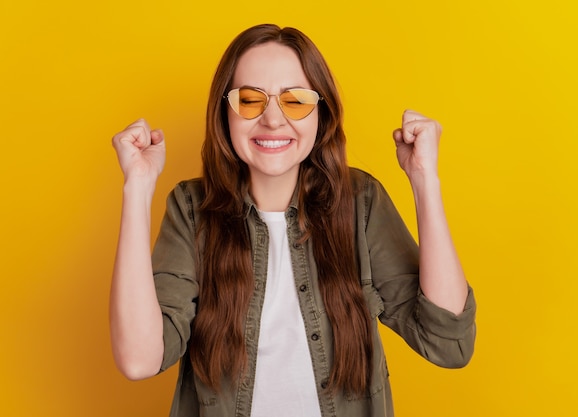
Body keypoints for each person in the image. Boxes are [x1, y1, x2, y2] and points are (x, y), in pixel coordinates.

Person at [109, 23, 476, 417]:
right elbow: (139, 360)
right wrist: (137, 188)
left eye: (295, 101)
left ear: (321, 112)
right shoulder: (191, 209)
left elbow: (448, 343)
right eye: (249, 100)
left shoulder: (360, 202)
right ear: (224, 112)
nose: (272, 120)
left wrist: (425, 181)